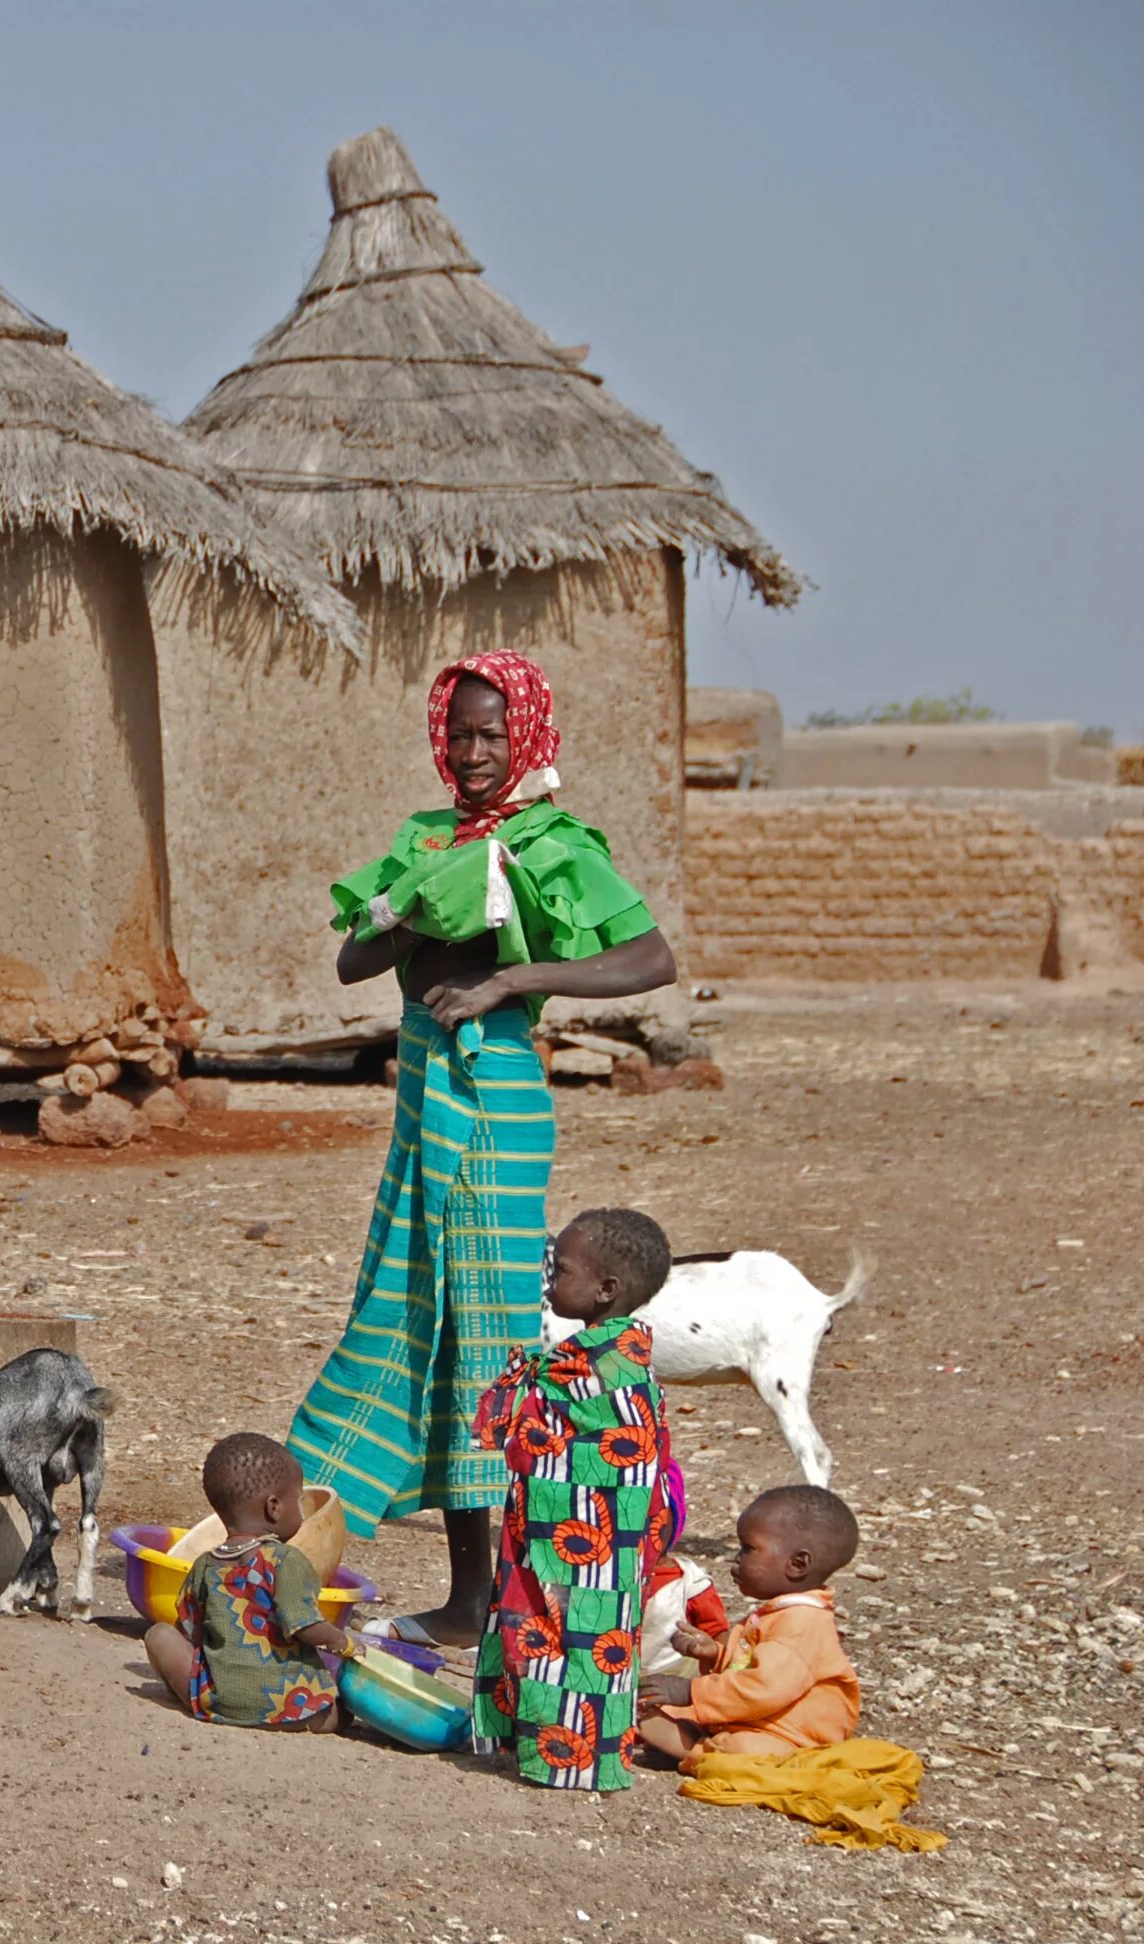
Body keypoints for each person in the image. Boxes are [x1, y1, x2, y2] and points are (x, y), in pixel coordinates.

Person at [290, 651, 677, 1648]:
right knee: (415, 1308)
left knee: (483, 1337)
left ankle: (485, 1600)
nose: (470, 752)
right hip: (425, 1094)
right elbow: (352, 959)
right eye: (458, 733)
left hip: (491, 1098)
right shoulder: (427, 842)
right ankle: (441, 1582)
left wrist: (513, 981)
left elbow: (649, 956)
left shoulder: (550, 844)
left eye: (492, 735)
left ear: (530, 738)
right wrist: (414, 903)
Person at [469, 1207, 675, 1792]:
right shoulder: (608, 1360)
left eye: (559, 1270)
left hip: (579, 1542)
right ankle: (572, 1757)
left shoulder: (596, 1370)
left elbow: (597, 1449)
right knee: (584, 1644)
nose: (550, 1281)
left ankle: (565, 1761)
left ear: (605, 1290)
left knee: (563, 1641)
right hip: (603, 1545)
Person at [637, 1484, 865, 1768]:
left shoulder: (801, 1623)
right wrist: (715, 1655)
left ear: (796, 1564)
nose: (737, 1558)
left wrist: (691, 1690)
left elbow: (763, 1688)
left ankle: (691, 1751)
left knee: (743, 1749)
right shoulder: (780, 1612)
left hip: (789, 1736)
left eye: (748, 1548)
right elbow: (749, 1666)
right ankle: (686, 1739)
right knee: (663, 1705)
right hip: (755, 1717)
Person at [146, 1433, 354, 1729]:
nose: (302, 1506)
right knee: (341, 1711)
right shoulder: (286, 1561)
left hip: (218, 1701)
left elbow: (189, 1632)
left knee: (159, 1636)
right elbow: (305, 1625)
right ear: (274, 1507)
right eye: (300, 1499)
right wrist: (346, 1644)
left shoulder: (204, 1565)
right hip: (291, 1709)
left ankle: (197, 1701)